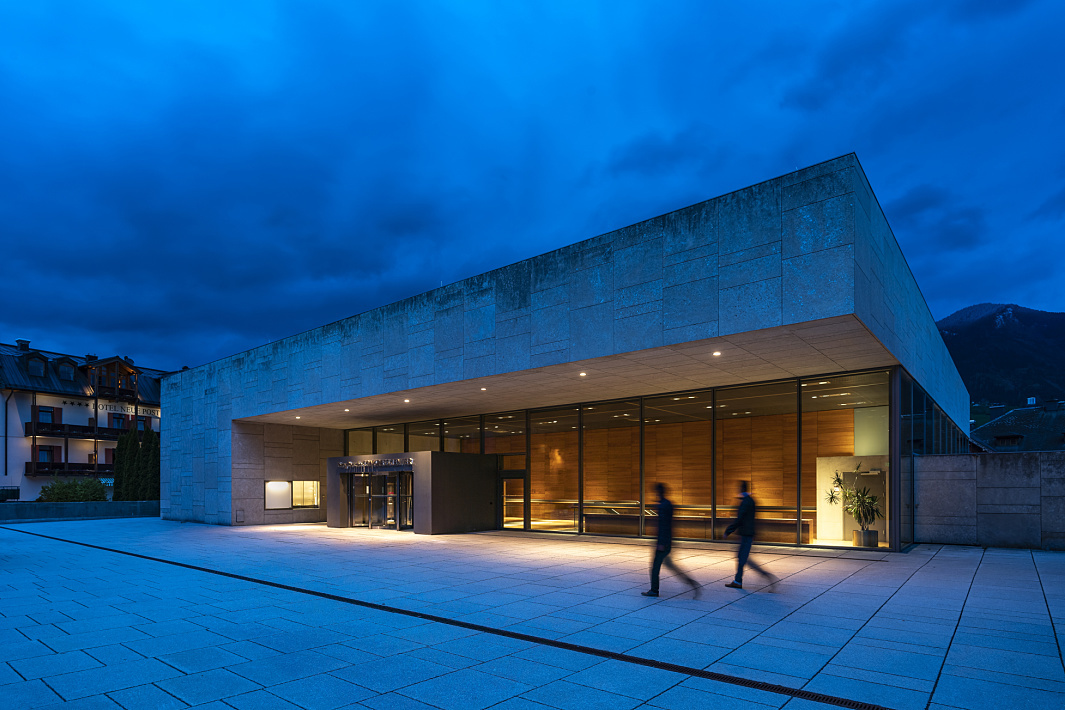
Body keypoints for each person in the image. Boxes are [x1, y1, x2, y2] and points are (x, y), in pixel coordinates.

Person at [641, 482, 701, 598]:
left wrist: (661, 543)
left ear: (658, 492)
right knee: (671, 566)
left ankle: (654, 590)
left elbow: (663, 526)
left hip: (663, 543)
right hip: (668, 541)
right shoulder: (668, 504)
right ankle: (691, 583)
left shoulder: (662, 506)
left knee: (655, 567)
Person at [724, 480, 779, 591]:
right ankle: (738, 580)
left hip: (745, 534)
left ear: (741, 489)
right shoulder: (751, 500)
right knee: (742, 558)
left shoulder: (745, 502)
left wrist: (728, 530)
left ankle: (767, 577)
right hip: (748, 533)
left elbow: (740, 518)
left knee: (743, 558)